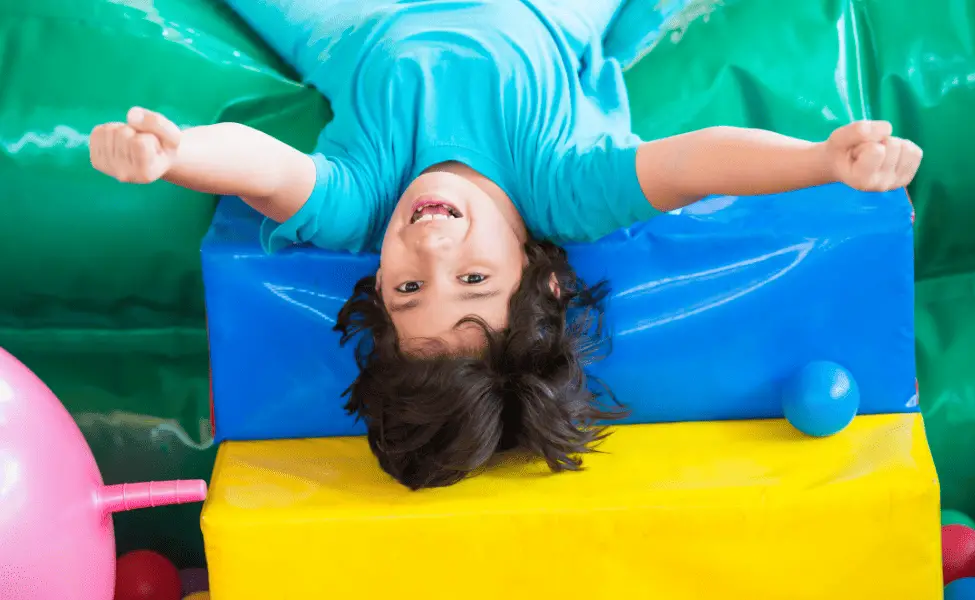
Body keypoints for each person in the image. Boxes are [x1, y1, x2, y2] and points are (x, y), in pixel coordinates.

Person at [89, 0, 923, 489]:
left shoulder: (359, 203)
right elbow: (695, 162)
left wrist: (175, 155)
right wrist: (820, 160)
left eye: (408, 291)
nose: (429, 250)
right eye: (475, 278)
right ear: (543, 281)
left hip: (359, 18)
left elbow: (266, 171)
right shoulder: (563, 186)